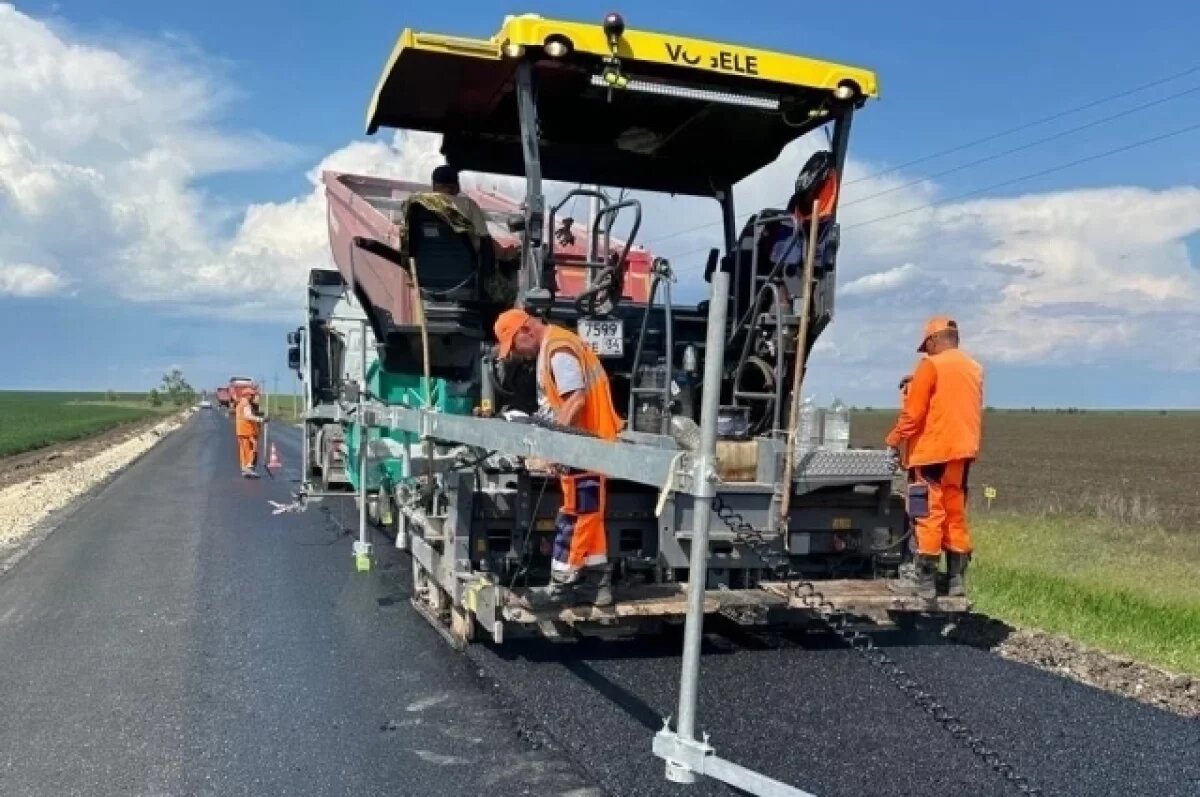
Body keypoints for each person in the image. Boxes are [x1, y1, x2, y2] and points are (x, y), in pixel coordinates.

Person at [493, 308, 623, 607]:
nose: (517, 354)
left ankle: (560, 588)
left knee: (576, 515)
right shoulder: (555, 346)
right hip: (588, 446)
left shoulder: (558, 349)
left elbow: (575, 400)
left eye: (514, 346)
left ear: (526, 331)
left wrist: (555, 448)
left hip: (585, 447)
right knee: (589, 515)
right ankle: (596, 585)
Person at [885, 316, 983, 600]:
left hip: (932, 454)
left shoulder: (931, 366)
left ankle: (924, 581)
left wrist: (893, 440)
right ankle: (955, 581)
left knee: (927, 513)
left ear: (934, 339)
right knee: (954, 514)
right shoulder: (974, 368)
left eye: (926, 345)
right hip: (962, 454)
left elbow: (913, 415)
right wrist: (917, 382)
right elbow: (952, 398)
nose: (926, 351)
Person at [430, 164, 492, 245]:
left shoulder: (419, 203)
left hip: (427, 251)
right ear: (458, 187)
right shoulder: (469, 205)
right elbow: (484, 237)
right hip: (462, 252)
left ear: (434, 186)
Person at [234, 388, 268, 478]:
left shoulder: (240, 404)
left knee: (243, 450)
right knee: (251, 449)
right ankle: (249, 467)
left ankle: (245, 468)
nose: (253, 397)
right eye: (252, 395)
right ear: (247, 395)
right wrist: (261, 419)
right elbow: (248, 416)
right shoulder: (246, 404)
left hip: (241, 431)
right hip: (247, 431)